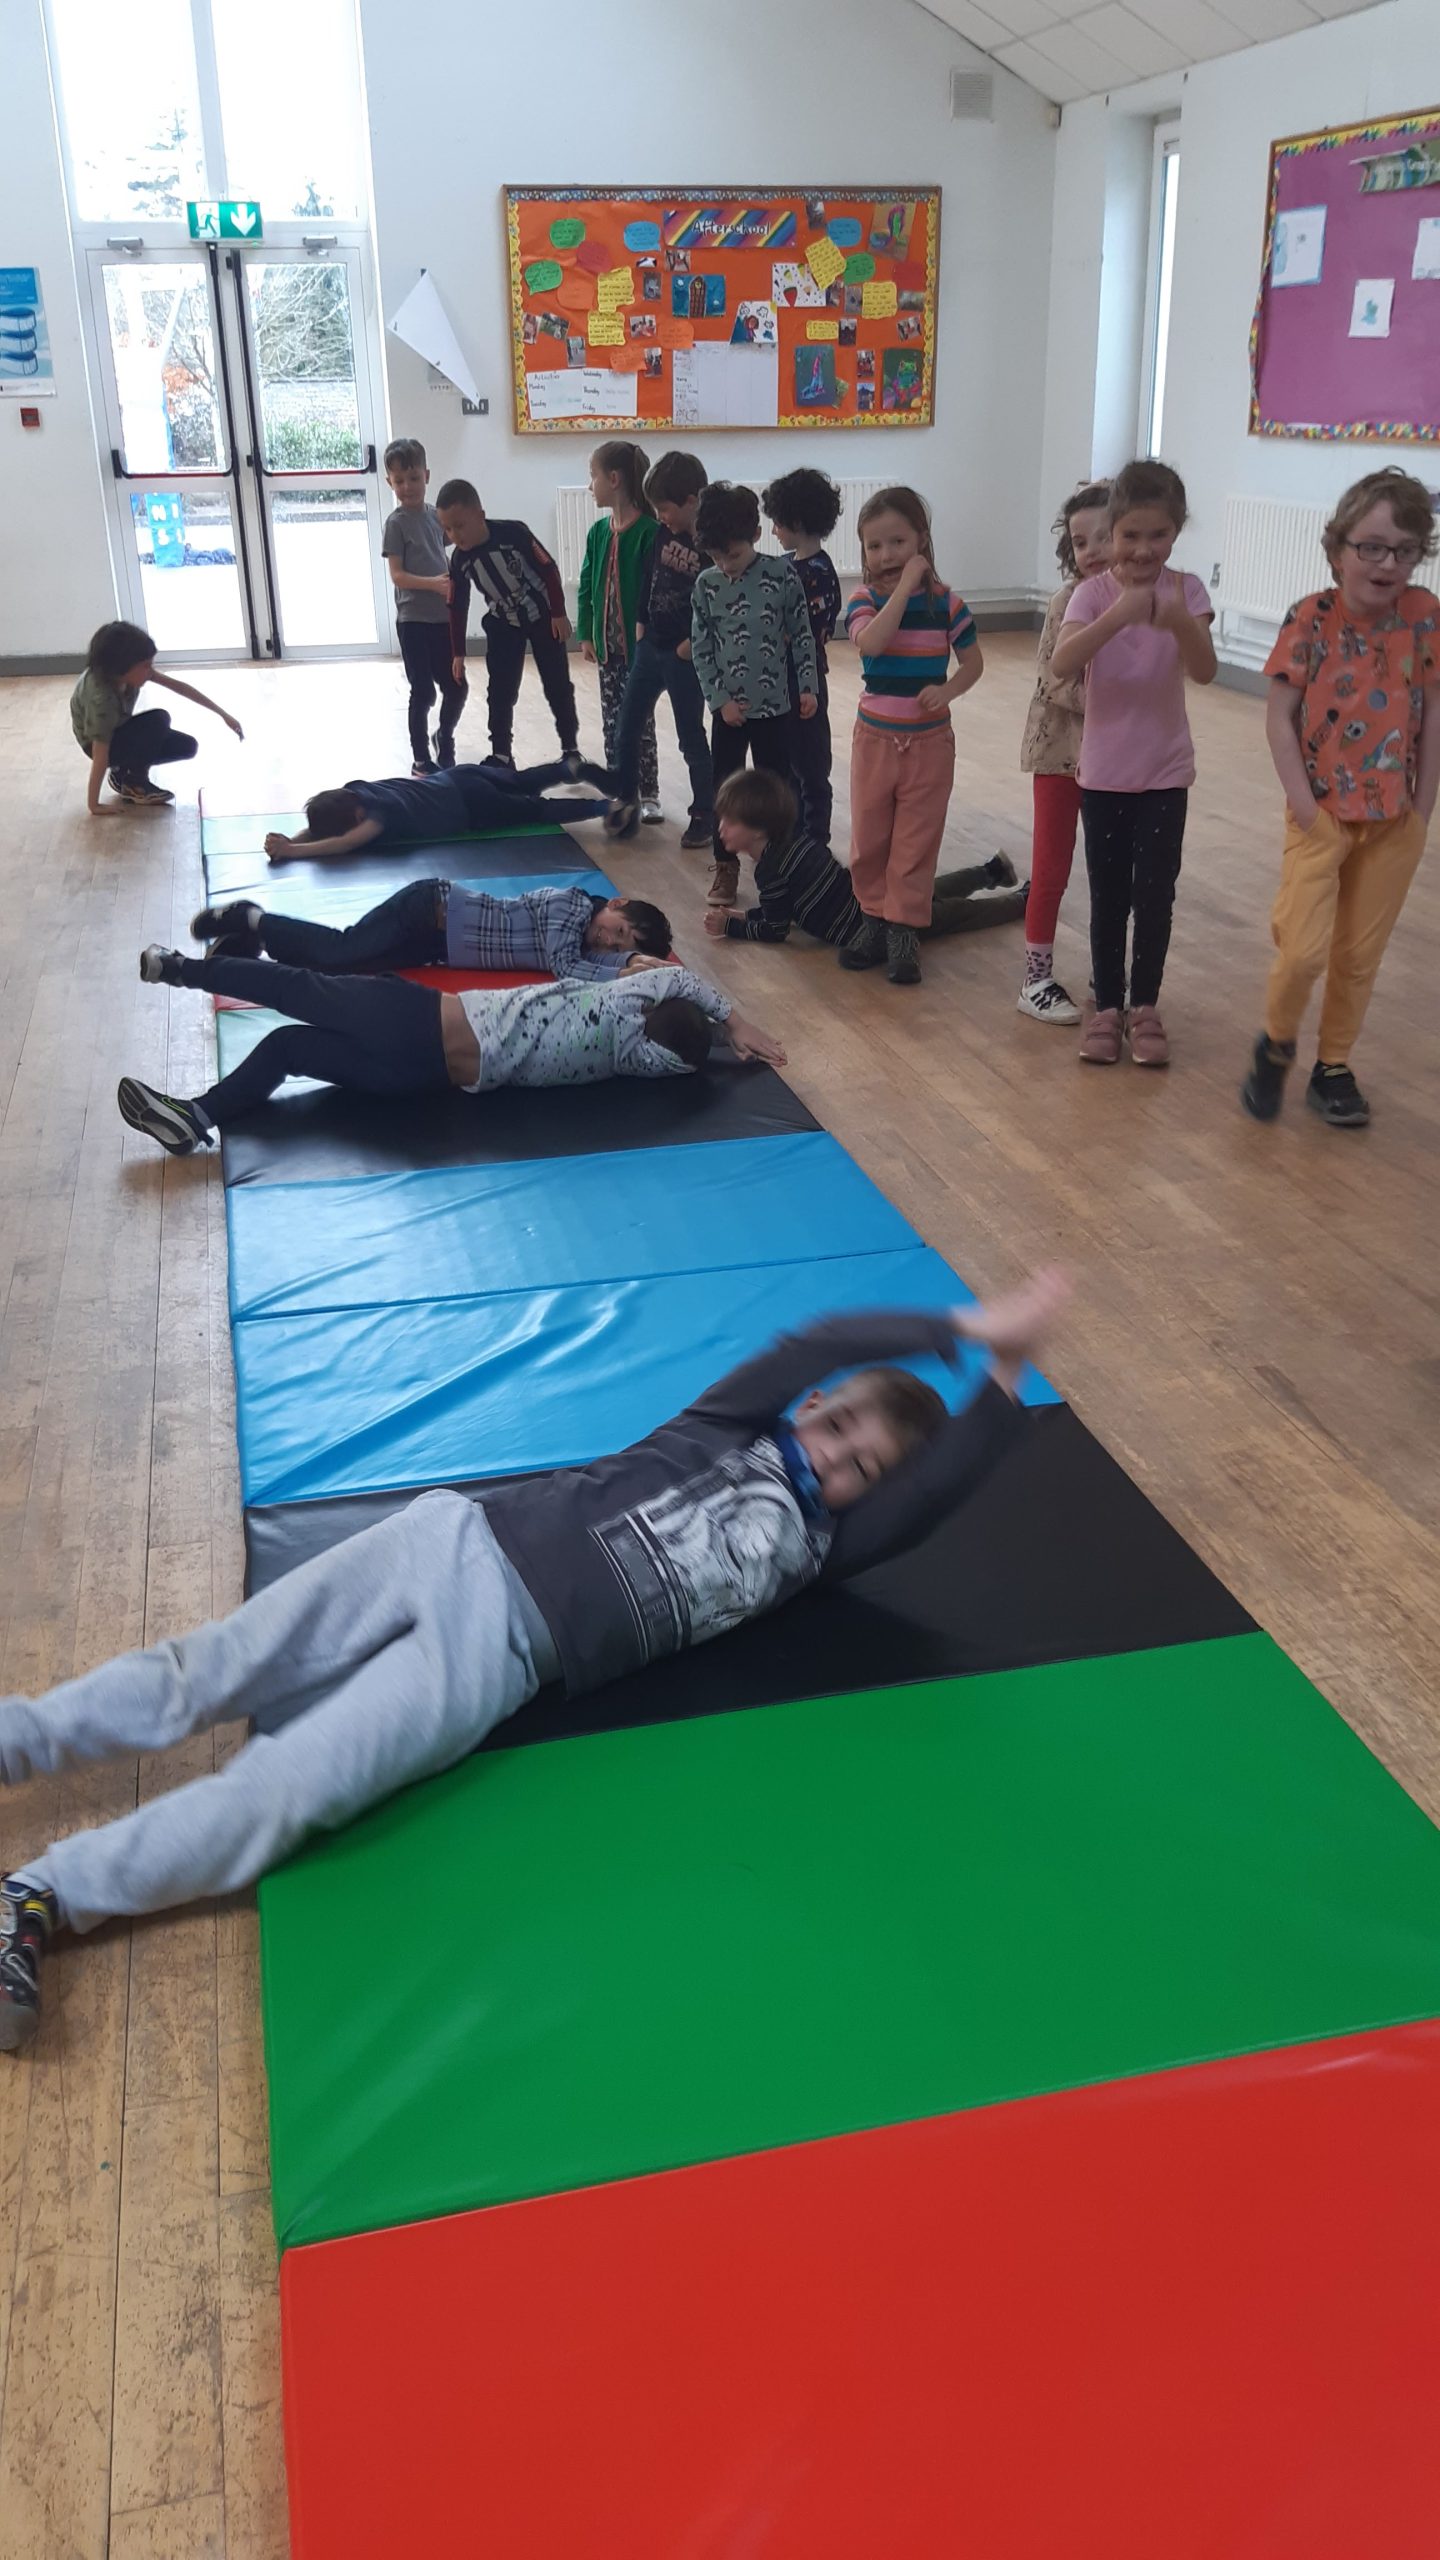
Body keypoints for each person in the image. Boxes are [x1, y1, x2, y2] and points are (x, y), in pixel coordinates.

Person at [0, 1272, 1066, 2046]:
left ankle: (44, 1895)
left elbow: (930, 1498)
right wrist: (965, 1326)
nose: (837, 1467)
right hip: (452, 1543)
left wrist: (1009, 1376)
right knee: (214, 1667)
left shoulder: (824, 1550)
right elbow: (814, 1341)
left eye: (861, 1473)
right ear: (817, 1407)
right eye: (840, 1436)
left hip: (496, 1661)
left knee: (287, 1792)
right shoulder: (728, 1426)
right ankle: (22, 1737)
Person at [115, 951, 786, 1154]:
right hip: (418, 1075)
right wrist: (713, 1045)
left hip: (411, 1018)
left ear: (645, 1005)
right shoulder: (633, 1062)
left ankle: (179, 969)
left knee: (293, 987)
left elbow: (681, 981)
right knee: (288, 1046)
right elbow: (681, 1044)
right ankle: (196, 1116)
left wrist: (733, 1020)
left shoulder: (614, 1003)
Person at [1240, 467, 1439, 1131]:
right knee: (1302, 950)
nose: (1387, 564)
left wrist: (1422, 810)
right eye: (1372, 547)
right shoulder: (1312, 618)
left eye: (1405, 551)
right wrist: (1304, 808)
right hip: (1321, 815)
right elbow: (1279, 717)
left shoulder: (1424, 617)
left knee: (1358, 957)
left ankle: (1333, 1067)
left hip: (1394, 822)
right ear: (1338, 549)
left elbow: (1433, 712)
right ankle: (1276, 1043)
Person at [1050, 460, 1216, 1067]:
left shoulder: (1187, 591)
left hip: (1166, 772)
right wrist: (1118, 615)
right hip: (1104, 775)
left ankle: (1144, 1005)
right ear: (1112, 532)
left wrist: (1177, 621)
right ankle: (1106, 1007)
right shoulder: (1092, 593)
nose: (1144, 549)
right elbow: (1063, 663)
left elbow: (1204, 670)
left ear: (1177, 531)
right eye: (1131, 535)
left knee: (1155, 895)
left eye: (1159, 535)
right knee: (1109, 896)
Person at [843, 487, 982, 988]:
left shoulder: (948, 604)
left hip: (929, 745)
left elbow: (973, 664)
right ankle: (873, 920)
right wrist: (904, 587)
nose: (886, 554)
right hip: (875, 741)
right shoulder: (863, 600)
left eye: (897, 542)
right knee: (869, 838)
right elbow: (871, 643)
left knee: (916, 840)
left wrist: (947, 692)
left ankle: (904, 931)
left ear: (921, 540)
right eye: (874, 546)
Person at [702, 770, 1023, 961]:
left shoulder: (770, 870)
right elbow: (785, 909)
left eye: (730, 821)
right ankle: (991, 872)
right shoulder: (793, 841)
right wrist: (747, 915)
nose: (721, 829)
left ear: (758, 830)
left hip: (869, 932)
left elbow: (776, 930)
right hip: (873, 898)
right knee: (929, 890)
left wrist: (730, 928)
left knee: (957, 915)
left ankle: (1024, 902)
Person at [691, 481, 818, 906]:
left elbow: (802, 635)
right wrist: (719, 700)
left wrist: (808, 687)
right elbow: (702, 649)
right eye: (716, 557)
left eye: (733, 554)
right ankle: (725, 867)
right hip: (728, 712)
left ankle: (780, 868)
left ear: (757, 536)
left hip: (775, 709)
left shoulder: (781, 575)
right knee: (724, 789)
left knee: (776, 790)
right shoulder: (707, 585)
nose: (725, 565)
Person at [1017, 482, 1110, 1025]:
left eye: (1104, 536)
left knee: (1110, 872)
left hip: (1117, 763)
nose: (1092, 550)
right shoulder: (1065, 602)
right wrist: (1111, 705)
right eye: (1080, 541)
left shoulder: (1139, 603)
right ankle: (1035, 979)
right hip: (1060, 756)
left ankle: (1108, 975)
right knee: (1051, 867)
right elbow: (1054, 679)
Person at [191, 881, 672, 981]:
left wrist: (630, 960)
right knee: (343, 948)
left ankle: (254, 944)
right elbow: (566, 966)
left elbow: (587, 961)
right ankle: (251, 917)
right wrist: (623, 970)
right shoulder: (572, 906)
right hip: (429, 909)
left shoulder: (587, 939)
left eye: (619, 944)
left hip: (433, 944)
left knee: (345, 967)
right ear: (615, 903)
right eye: (618, 930)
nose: (608, 941)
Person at [606, 449, 714, 850]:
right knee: (627, 727)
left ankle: (704, 813)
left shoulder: (710, 544)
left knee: (690, 737)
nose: (661, 517)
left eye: (666, 509)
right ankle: (625, 799)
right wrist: (640, 624)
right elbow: (650, 575)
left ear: (692, 501)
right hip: (651, 645)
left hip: (684, 655)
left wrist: (692, 643)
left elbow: (716, 603)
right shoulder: (662, 533)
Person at [436, 481, 579, 765]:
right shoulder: (460, 560)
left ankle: (570, 749)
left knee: (557, 685)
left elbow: (548, 569)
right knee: (500, 691)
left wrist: (559, 613)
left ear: (480, 515)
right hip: (503, 623)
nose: (455, 535)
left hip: (543, 618)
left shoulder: (514, 533)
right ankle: (501, 754)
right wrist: (458, 653)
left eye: (460, 526)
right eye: (448, 529)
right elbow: (457, 605)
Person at [259, 756, 616, 863]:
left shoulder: (378, 817)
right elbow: (326, 828)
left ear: (354, 818)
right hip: (458, 776)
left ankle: (605, 807)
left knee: (535, 811)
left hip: (471, 806)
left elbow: (343, 843)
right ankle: (565, 768)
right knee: (522, 781)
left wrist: (292, 851)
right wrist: (291, 839)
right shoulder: (355, 790)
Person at [71, 620, 243, 814]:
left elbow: (180, 688)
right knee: (157, 720)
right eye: (146, 665)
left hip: (118, 731)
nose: (150, 670)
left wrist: (223, 714)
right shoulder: (101, 700)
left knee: (186, 746)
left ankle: (121, 774)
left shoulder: (127, 674)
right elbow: (99, 753)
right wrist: (94, 805)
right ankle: (135, 783)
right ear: (122, 667)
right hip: (97, 743)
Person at [577, 441, 662, 825]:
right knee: (612, 720)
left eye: (592, 476)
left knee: (640, 723)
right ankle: (620, 788)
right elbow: (585, 585)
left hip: (639, 651)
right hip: (608, 649)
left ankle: (650, 791)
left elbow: (655, 592)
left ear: (614, 479)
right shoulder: (598, 532)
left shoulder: (649, 533)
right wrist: (586, 632)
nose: (589, 485)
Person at [762, 467, 844, 844]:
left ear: (795, 522)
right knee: (787, 765)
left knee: (810, 767)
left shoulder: (819, 573)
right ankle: (792, 838)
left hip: (804, 682)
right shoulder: (786, 566)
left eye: (778, 523)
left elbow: (805, 631)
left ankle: (815, 842)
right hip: (780, 682)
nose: (773, 531)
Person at [381, 436, 467, 777]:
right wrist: (433, 584)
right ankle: (420, 759)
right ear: (390, 482)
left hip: (443, 619)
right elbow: (398, 575)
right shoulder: (396, 524)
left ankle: (444, 737)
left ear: (426, 476)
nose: (407, 487)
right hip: (413, 621)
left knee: (456, 686)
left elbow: (455, 541)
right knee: (423, 691)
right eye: (399, 480)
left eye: (414, 478)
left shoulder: (435, 516)